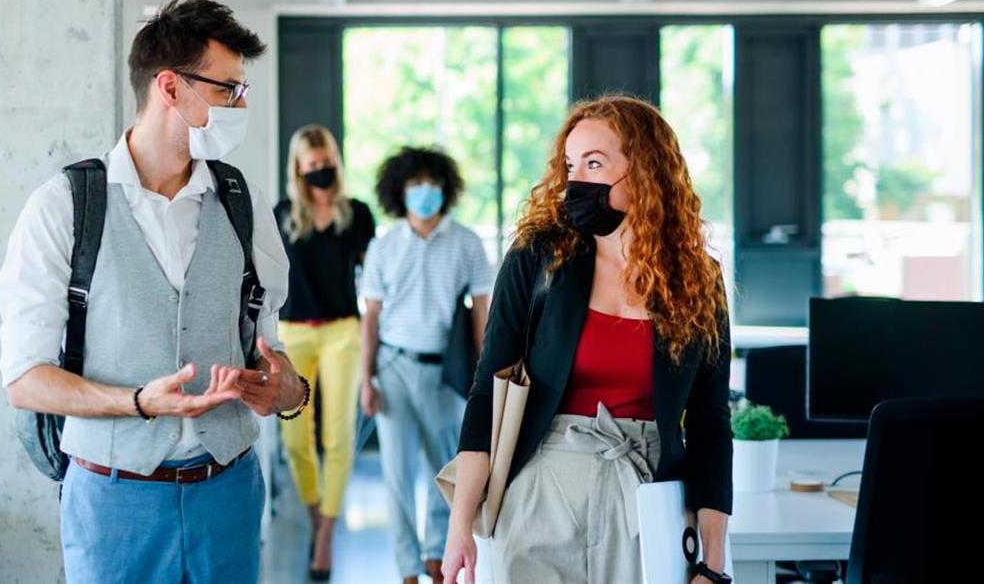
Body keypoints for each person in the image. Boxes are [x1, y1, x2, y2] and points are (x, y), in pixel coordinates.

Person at [0, 0, 308, 584]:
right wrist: (138, 402)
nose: (239, 105)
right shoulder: (64, 207)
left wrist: (287, 388)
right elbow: (24, 380)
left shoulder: (244, 204)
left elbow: (267, 345)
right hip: (113, 501)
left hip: (229, 494)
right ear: (170, 87)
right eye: (228, 91)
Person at [442, 95, 733, 584]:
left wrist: (713, 565)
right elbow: (486, 397)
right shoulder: (537, 259)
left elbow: (710, 423)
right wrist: (459, 528)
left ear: (643, 172)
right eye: (570, 165)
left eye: (594, 164)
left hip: (647, 499)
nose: (576, 180)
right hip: (541, 491)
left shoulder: (697, 281)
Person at [360, 146, 494, 584]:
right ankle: (406, 567)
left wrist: (484, 377)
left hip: (446, 374)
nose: (424, 192)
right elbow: (372, 316)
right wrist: (367, 379)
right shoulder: (384, 246)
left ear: (445, 189)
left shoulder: (467, 243)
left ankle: (437, 555)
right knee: (397, 475)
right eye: (415, 184)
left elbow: (481, 310)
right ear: (399, 191)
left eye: (431, 184)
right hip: (393, 367)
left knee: (446, 470)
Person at [273, 124, 376, 581]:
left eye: (326, 162)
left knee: (338, 436)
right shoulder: (280, 215)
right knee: (294, 440)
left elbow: (374, 278)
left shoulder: (356, 214)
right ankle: (317, 513)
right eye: (311, 165)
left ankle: (327, 532)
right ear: (298, 168)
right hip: (292, 334)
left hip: (341, 332)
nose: (320, 171)